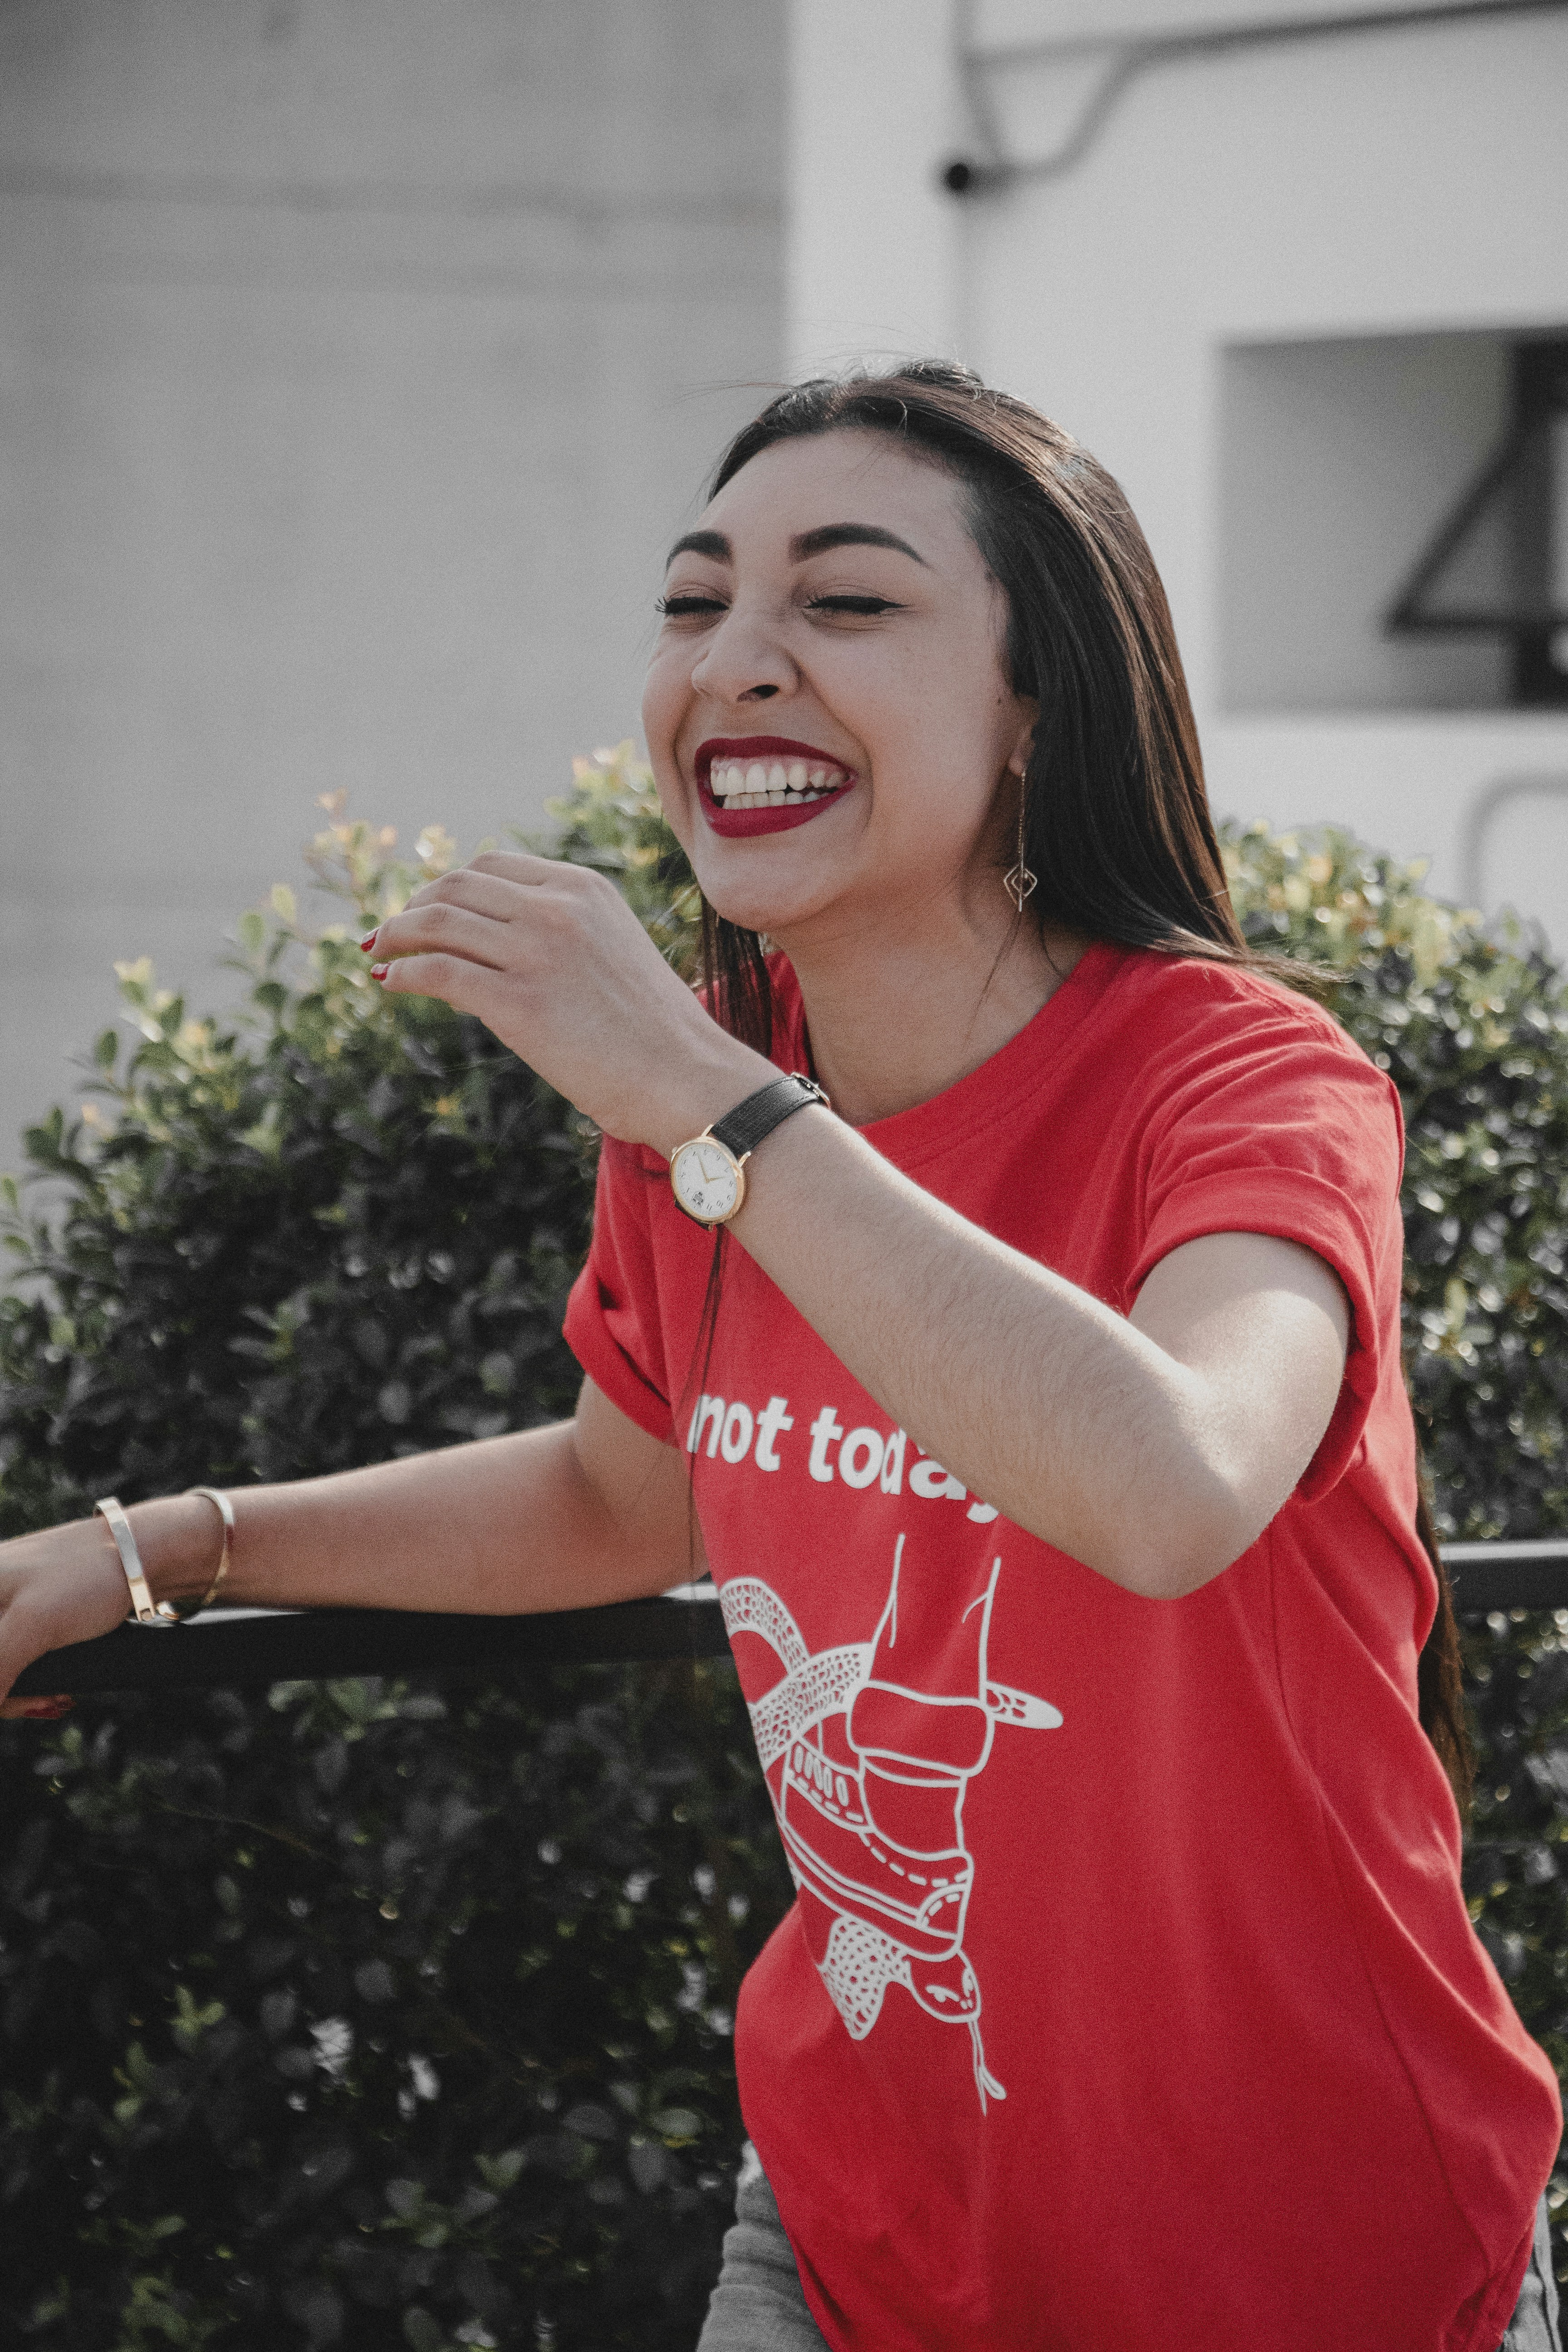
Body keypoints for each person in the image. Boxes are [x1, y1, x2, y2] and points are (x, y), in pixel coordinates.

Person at [0, 363, 1559, 2352]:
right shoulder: (735, 1108)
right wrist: (164, 1549)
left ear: (1036, 708)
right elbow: (622, 1489)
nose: (738, 662)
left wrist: (708, 1100)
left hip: (1314, 2261)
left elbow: (1174, 1491)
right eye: (693, 602)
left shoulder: (1239, 1080)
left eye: (846, 602)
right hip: (858, 2233)